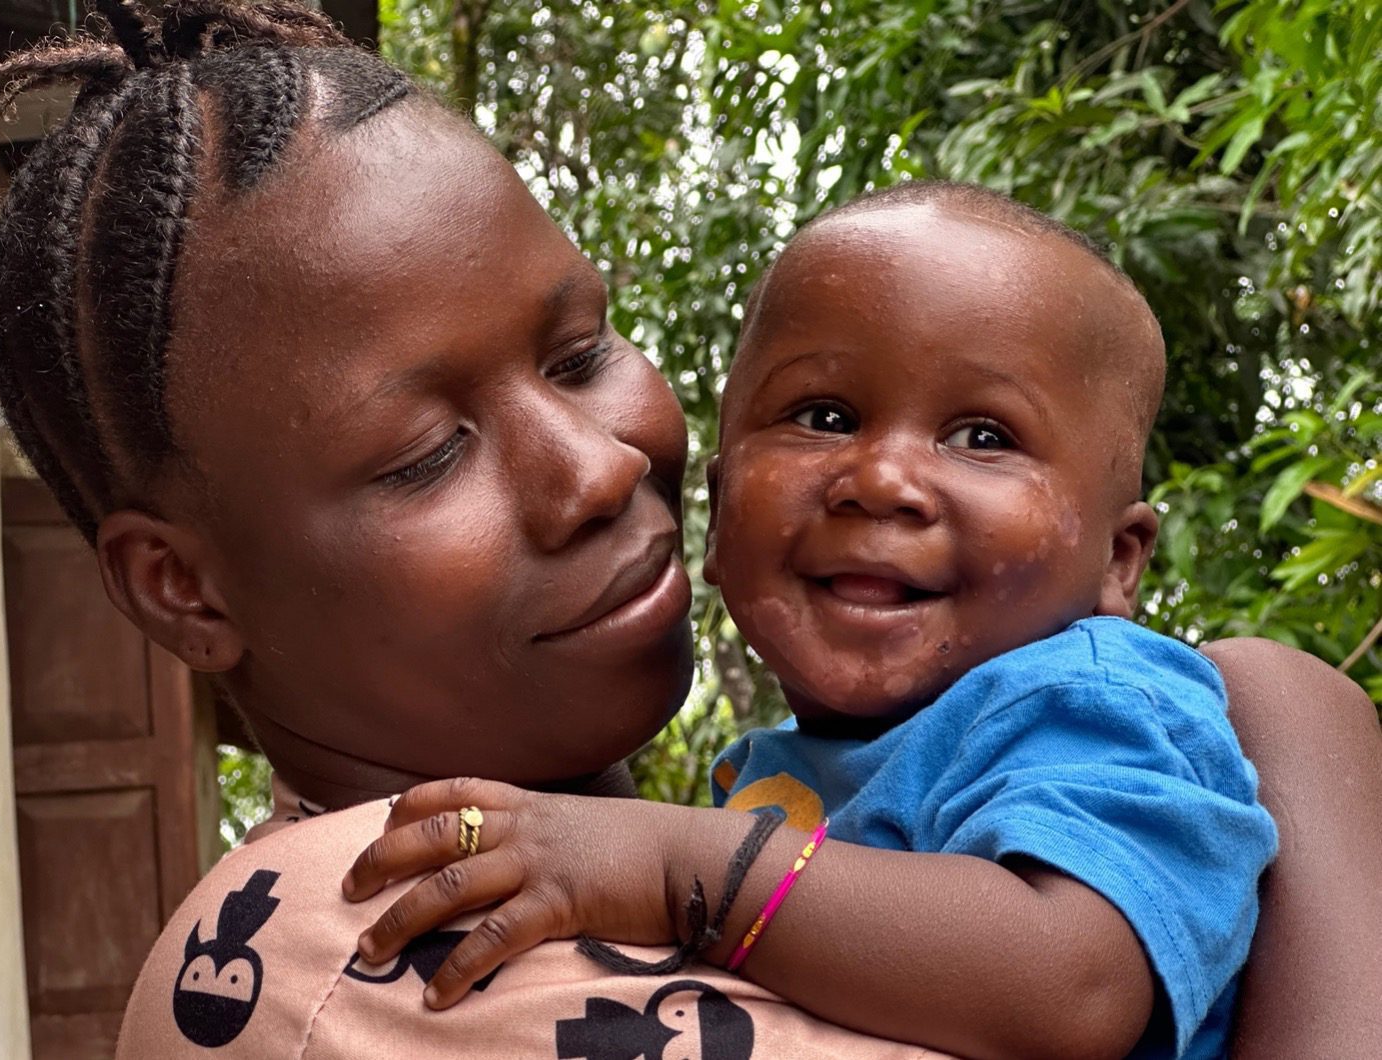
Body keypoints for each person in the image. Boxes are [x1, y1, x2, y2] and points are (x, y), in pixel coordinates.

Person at [0, 3, 1379, 1057]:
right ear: (182, 586)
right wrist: (1308, 756)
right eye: (426, 453)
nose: (593, 467)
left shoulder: (683, 829)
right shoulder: (352, 956)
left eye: (581, 353)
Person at [341, 186, 1277, 1060]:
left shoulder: (1090, 702)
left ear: (1118, 563)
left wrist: (674, 868)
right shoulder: (781, 771)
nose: (880, 481)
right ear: (716, 513)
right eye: (824, 415)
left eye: (984, 437)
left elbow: (1076, 983)